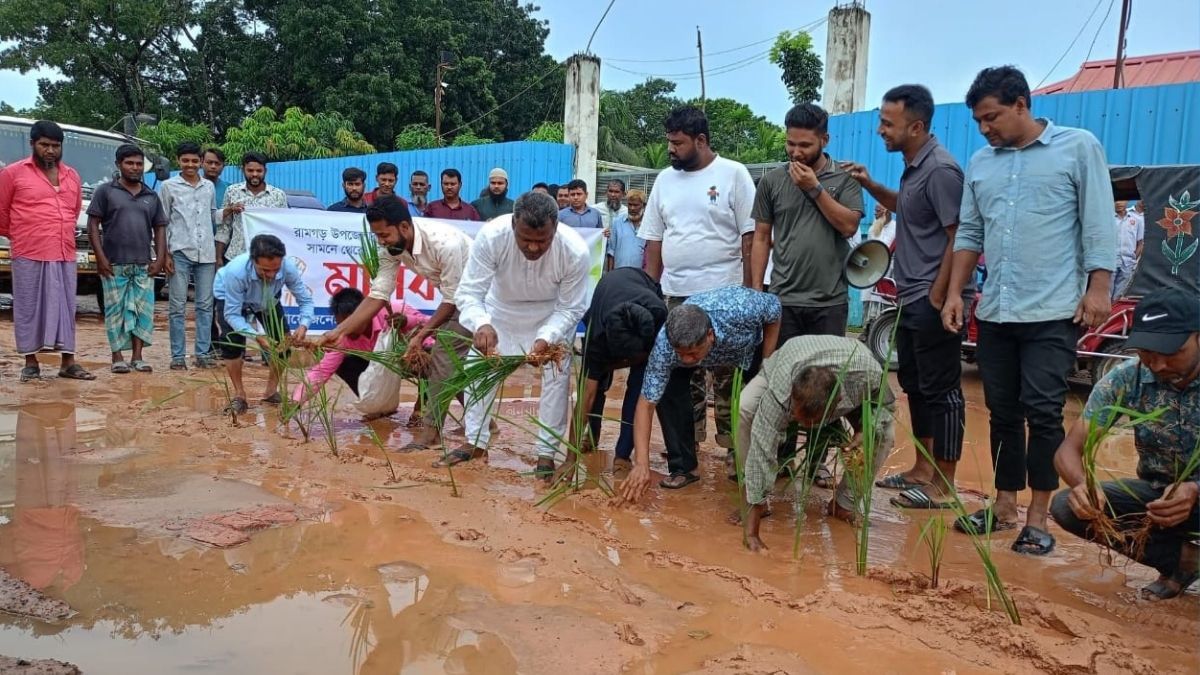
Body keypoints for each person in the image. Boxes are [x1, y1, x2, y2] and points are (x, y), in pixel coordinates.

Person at [941, 65, 1116, 555]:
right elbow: (970, 235)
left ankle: (1038, 519)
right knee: (1001, 413)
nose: (984, 128)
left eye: (991, 117)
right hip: (997, 310)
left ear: (1022, 104)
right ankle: (1002, 506)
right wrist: (957, 293)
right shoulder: (981, 163)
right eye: (978, 120)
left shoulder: (1078, 147)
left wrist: (1098, 287)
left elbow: (1098, 222)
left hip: (1054, 310)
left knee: (1042, 414)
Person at [842, 84, 968, 510]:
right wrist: (871, 185)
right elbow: (908, 208)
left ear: (916, 126)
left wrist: (942, 293)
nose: (880, 130)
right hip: (911, 296)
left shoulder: (941, 170)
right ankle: (922, 468)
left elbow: (960, 235)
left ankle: (944, 486)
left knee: (942, 391)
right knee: (915, 385)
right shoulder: (915, 167)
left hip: (931, 299)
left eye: (887, 123)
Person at [1052, 288, 1199, 599]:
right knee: (1067, 507)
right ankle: (1183, 562)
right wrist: (1083, 486)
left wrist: (1195, 488)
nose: (1157, 365)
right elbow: (1068, 450)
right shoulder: (1126, 378)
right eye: (1147, 352)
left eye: (1170, 351)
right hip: (1159, 498)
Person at [638, 106, 759, 473]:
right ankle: (684, 450)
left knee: (727, 378)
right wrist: (650, 292)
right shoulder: (663, 180)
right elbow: (654, 241)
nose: (670, 149)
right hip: (676, 295)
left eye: (677, 143)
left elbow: (750, 236)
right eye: (669, 142)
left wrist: (751, 291)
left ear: (701, 140)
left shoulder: (734, 175)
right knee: (679, 380)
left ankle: (734, 450)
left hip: (724, 296)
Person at [448, 191, 590, 477]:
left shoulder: (574, 251)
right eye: (526, 239)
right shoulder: (491, 236)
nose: (534, 248)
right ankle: (475, 441)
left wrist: (547, 337)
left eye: (543, 240)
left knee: (556, 379)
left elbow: (570, 308)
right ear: (513, 225)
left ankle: (546, 454)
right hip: (499, 311)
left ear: (556, 229)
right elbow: (470, 292)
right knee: (477, 369)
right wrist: (481, 324)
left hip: (551, 316)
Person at [320, 197, 473, 449]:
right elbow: (379, 293)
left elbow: (452, 299)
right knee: (447, 363)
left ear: (404, 227)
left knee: (442, 357)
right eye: (377, 235)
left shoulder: (445, 243)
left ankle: (431, 434)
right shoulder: (390, 247)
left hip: (480, 297)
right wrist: (338, 332)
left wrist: (420, 334)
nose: (381, 241)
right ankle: (485, 424)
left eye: (384, 234)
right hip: (458, 297)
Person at [621, 286, 781, 498]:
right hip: (713, 346)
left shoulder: (742, 309)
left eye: (692, 353)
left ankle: (751, 471)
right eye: (681, 353)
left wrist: (768, 362)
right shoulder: (665, 347)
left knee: (754, 405)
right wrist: (641, 463)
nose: (687, 359)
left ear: (710, 335)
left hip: (749, 349)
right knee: (667, 392)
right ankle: (684, 467)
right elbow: (646, 404)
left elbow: (775, 307)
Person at [740, 335, 896, 551]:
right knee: (746, 407)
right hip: (781, 366)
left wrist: (864, 428)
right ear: (792, 399)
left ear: (838, 403)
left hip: (849, 376)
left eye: (812, 422)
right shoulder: (781, 392)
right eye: (799, 418)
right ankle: (753, 496)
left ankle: (844, 504)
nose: (806, 427)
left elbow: (887, 404)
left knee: (884, 433)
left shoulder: (868, 374)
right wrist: (751, 533)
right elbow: (761, 451)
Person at [0, 120, 94, 382]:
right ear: (32, 144)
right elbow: (2, 213)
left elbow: (74, 211)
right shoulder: (13, 174)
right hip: (29, 250)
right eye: (44, 145)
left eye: (55, 146)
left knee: (66, 307)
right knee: (28, 306)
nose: (50, 151)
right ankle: (31, 363)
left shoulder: (72, 176)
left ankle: (68, 363)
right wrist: (23, 234)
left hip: (64, 251)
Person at [575, 267, 692, 475]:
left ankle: (623, 453)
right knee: (596, 380)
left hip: (641, 288)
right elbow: (587, 394)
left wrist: (643, 358)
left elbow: (645, 398)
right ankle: (590, 435)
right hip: (604, 299)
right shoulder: (597, 336)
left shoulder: (658, 315)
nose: (626, 362)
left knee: (639, 386)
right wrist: (570, 457)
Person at [86, 144, 168, 374]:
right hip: (113, 264)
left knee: (142, 312)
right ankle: (117, 357)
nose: (135, 168)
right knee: (115, 311)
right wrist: (100, 257)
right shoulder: (105, 191)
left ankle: (138, 357)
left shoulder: (151, 196)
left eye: (139, 163)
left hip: (143, 264)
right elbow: (93, 225)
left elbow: (160, 228)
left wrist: (160, 258)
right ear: (118, 165)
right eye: (129, 163)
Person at [214, 234, 314, 413]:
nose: (271, 275)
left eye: (276, 270)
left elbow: (305, 300)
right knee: (233, 343)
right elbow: (232, 314)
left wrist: (303, 325)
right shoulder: (235, 272)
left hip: (267, 299)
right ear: (253, 261)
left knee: (283, 344)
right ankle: (239, 395)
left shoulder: (288, 268)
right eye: (265, 270)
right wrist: (257, 336)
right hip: (231, 297)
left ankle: (270, 392)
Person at [295, 288, 428, 410]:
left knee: (428, 357)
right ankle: (377, 406)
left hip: (409, 360)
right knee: (344, 363)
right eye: (340, 324)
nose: (346, 329)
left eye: (350, 323)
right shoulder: (342, 337)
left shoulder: (393, 311)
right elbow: (321, 371)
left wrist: (407, 322)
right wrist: (295, 402)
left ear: (363, 315)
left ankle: (422, 408)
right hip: (383, 368)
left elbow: (429, 325)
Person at [160, 142, 221, 370]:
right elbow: (163, 221)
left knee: (205, 305)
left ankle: (202, 354)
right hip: (179, 252)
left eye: (195, 161)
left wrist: (231, 211)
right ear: (179, 161)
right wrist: (164, 254)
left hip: (205, 253)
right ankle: (177, 357)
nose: (190, 165)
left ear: (201, 162)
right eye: (186, 161)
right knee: (177, 305)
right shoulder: (168, 187)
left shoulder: (209, 187)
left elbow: (213, 215)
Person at [216, 152, 289, 263]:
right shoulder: (232, 191)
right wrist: (218, 258)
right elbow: (224, 228)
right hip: (235, 258)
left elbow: (283, 228)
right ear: (243, 170)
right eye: (250, 170)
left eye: (259, 171)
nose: (254, 174)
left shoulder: (278, 195)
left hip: (266, 259)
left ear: (265, 171)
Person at [607, 189, 647, 270]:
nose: (632, 208)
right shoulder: (617, 222)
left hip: (642, 277)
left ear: (643, 205)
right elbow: (611, 252)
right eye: (630, 204)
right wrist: (610, 275)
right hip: (620, 274)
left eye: (636, 205)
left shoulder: (650, 225)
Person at [1112, 200, 1144, 299]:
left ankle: (1115, 313)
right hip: (1110, 261)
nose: (1118, 203)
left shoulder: (1136, 219)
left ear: (1127, 201)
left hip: (1128, 263)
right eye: (1116, 200)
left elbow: (1140, 242)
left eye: (1121, 200)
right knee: (1105, 294)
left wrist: (1134, 259)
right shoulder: (1108, 219)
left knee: (1119, 295)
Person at [202, 147, 230, 213]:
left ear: (223, 166)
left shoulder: (230, 189)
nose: (213, 166)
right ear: (201, 163)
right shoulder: (191, 188)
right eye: (209, 162)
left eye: (217, 163)